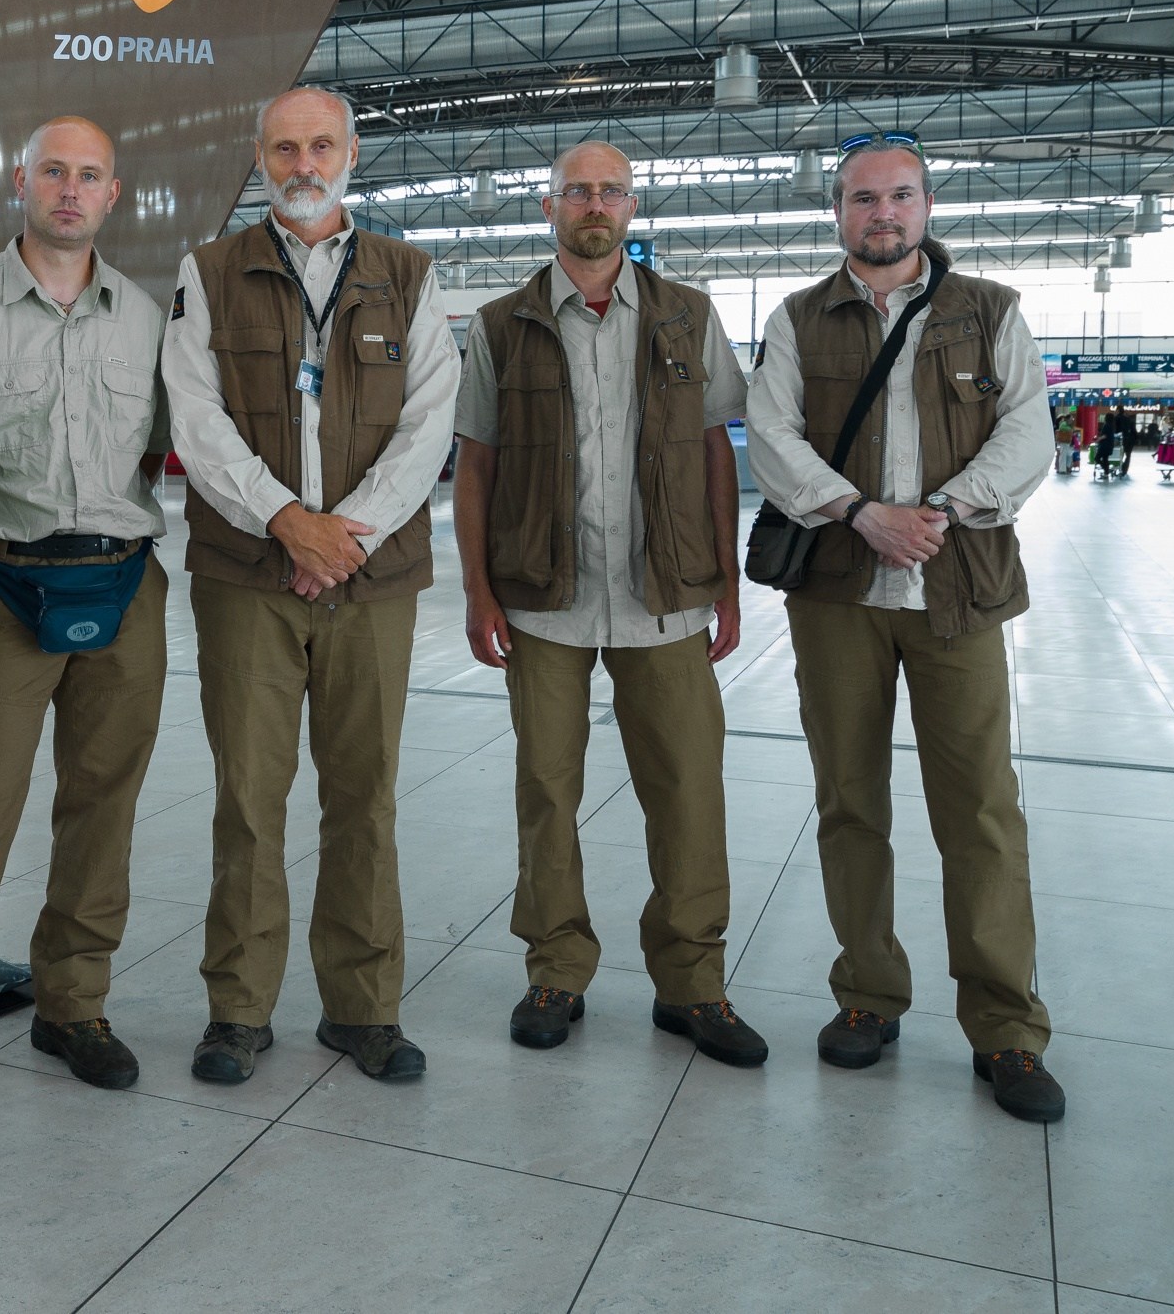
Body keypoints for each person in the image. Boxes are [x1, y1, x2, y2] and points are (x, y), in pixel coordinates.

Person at [745, 130, 1063, 1124]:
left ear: (926, 206)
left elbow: (1026, 432)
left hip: (955, 588)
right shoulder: (798, 318)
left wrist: (941, 511)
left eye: (897, 197)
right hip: (839, 592)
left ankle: (1005, 1030)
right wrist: (859, 512)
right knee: (849, 800)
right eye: (859, 199)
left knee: (979, 808)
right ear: (836, 212)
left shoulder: (989, 311)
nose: (879, 214)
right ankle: (867, 995)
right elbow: (772, 434)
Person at [160, 87, 457, 1086]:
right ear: (258, 155)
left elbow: (427, 426)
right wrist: (286, 520)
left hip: (370, 583)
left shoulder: (408, 276)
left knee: (362, 798)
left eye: (319, 143)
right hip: (248, 574)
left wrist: (345, 535)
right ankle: (237, 1009)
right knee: (249, 798)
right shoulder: (208, 273)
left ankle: (363, 1008)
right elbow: (195, 421)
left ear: (350, 152)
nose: (302, 161)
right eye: (284, 146)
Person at [452, 141, 766, 1065]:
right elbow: (477, 461)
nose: (594, 203)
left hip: (664, 595)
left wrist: (727, 579)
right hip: (543, 596)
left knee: (687, 790)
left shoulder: (688, 316)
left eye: (610, 190)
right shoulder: (502, 324)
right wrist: (477, 589)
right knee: (547, 789)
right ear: (549, 206)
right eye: (576, 189)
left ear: (633, 207)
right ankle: (557, 968)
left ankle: (693, 983)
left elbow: (717, 448)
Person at [0, 116, 170, 1092]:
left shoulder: (146, 319)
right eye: (52, 171)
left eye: (89, 175)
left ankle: (73, 1005)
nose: (70, 189)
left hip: (123, 580)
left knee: (103, 808)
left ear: (114, 192)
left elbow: (159, 450)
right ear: (19, 181)